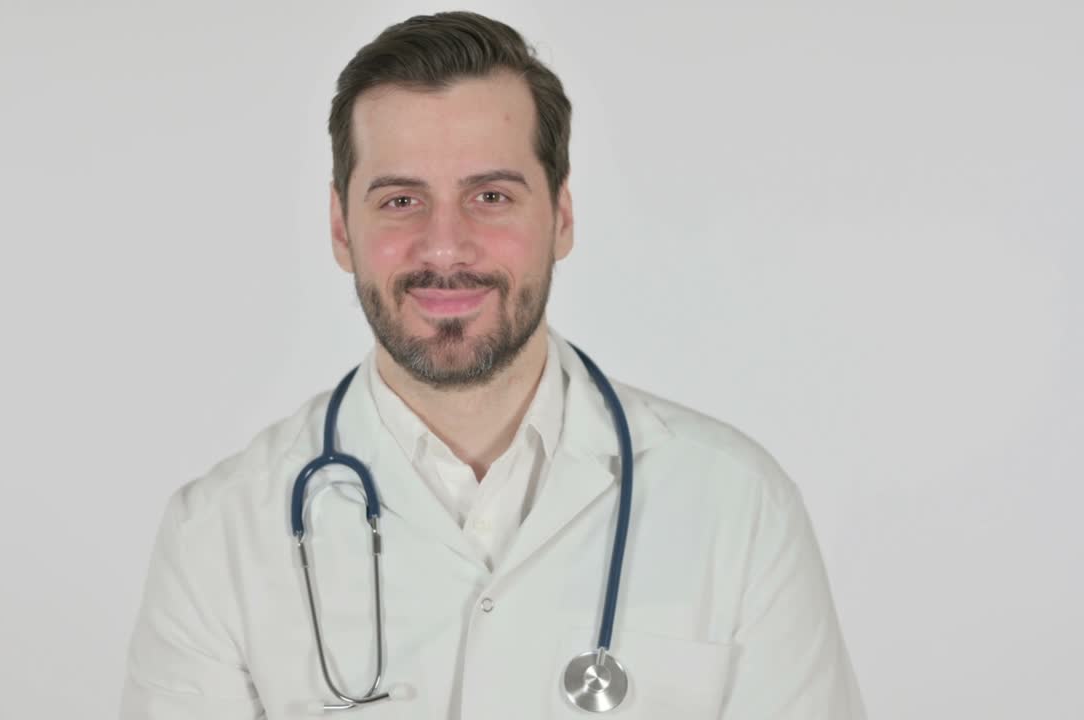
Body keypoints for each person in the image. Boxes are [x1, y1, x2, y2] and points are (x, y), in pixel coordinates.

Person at [120, 11, 865, 719]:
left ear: (561, 218)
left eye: (491, 195)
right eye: (402, 199)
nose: (445, 247)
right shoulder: (218, 538)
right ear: (341, 228)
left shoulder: (737, 510)